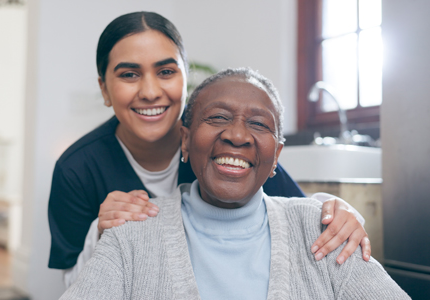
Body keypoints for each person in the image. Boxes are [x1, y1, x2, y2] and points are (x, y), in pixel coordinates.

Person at [48, 12, 370, 287]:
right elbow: (73, 285)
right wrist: (100, 234)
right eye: (129, 75)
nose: (149, 91)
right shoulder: (76, 169)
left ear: (185, 80)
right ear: (104, 89)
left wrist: (338, 210)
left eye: (166, 72)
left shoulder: (222, 147)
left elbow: (296, 214)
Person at [60, 68, 409, 300]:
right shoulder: (132, 234)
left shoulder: (324, 232)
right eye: (217, 118)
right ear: (185, 139)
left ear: (276, 157)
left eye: (258, 124)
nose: (238, 135)